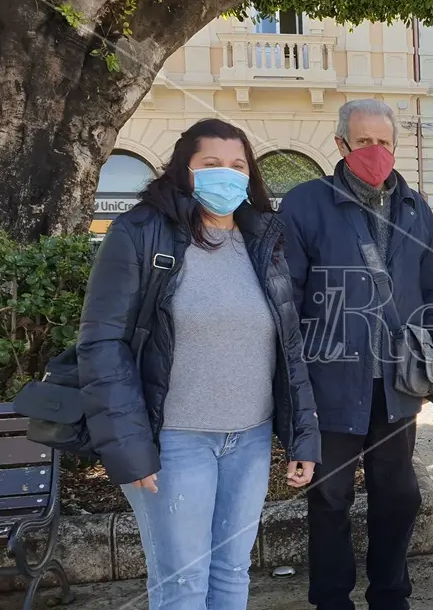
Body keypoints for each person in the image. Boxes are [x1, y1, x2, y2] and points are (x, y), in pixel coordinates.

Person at [79, 119, 321, 610]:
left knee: (232, 573)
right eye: (211, 164)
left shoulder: (263, 239)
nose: (226, 175)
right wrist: (129, 446)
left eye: (238, 165)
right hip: (174, 442)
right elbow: (103, 343)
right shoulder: (141, 233)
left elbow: (288, 346)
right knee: (182, 584)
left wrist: (303, 436)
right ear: (183, 170)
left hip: (250, 440)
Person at [279, 99, 433, 610]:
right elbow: (288, 297)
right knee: (330, 496)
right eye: (363, 141)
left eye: (384, 142)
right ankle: (332, 599)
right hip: (330, 382)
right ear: (341, 144)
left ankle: (390, 593)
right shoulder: (306, 204)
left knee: (398, 494)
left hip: (396, 384)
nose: (375, 151)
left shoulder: (415, 208)